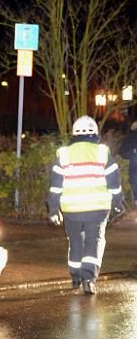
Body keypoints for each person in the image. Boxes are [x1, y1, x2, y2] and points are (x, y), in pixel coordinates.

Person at [47, 115, 123, 295]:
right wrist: (118, 203)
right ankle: (88, 278)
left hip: (72, 209)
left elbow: (56, 186)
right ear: (95, 133)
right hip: (97, 208)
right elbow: (114, 181)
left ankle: (75, 277)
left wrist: (53, 209)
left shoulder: (64, 154)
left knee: (75, 241)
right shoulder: (101, 152)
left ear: (74, 133)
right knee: (94, 240)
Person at [119, 121, 137, 204]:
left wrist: (133, 153)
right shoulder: (131, 137)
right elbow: (123, 152)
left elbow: (123, 152)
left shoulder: (130, 137)